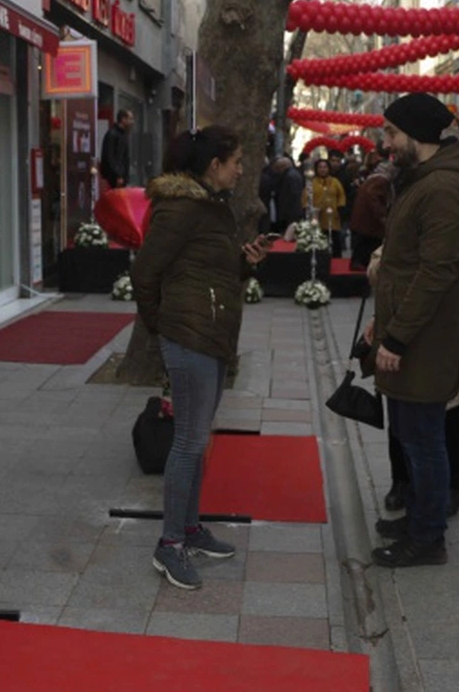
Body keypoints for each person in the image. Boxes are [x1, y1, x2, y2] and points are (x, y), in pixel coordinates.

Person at [131, 125, 270, 590]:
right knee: (189, 441)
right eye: (236, 162)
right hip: (189, 338)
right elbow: (146, 273)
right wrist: (164, 326)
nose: (241, 169)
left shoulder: (213, 207)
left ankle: (189, 529)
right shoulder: (182, 209)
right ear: (215, 165)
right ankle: (169, 545)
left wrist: (245, 262)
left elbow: (212, 269)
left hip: (210, 335)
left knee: (198, 438)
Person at [363, 93, 459, 568]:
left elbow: (436, 273)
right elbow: (405, 266)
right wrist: (383, 323)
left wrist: (398, 337)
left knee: (424, 440)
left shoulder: (443, 187)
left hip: (427, 341)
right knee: (412, 435)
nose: (386, 142)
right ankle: (417, 517)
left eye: (391, 133)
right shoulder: (423, 180)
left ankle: (428, 537)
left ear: (417, 136)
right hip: (413, 332)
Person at [378, 205, 459, 521]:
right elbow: (379, 270)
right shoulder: (411, 229)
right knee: (400, 416)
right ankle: (401, 482)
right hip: (405, 340)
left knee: (448, 418)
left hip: (451, 346)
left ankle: (450, 488)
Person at [349, 160, 392, 271]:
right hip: (369, 220)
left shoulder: (372, 178)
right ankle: (362, 264)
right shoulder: (382, 180)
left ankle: (359, 262)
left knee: (363, 242)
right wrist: (382, 214)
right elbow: (373, 195)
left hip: (363, 218)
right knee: (370, 242)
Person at [304, 157, 347, 257]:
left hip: (333, 217)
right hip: (317, 218)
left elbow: (341, 195)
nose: (323, 169)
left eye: (325, 167)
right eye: (320, 167)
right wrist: (308, 209)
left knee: (335, 241)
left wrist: (340, 207)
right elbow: (305, 197)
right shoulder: (311, 183)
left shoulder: (335, 182)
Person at [99, 108, 133, 189]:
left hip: (120, 178)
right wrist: (118, 175)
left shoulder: (123, 135)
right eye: (130, 119)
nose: (132, 122)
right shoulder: (113, 134)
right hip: (114, 179)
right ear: (123, 119)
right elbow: (111, 157)